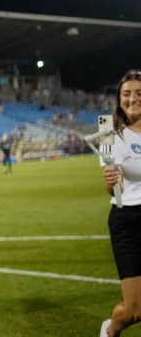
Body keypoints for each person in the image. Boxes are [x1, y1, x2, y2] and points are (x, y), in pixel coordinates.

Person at [99, 69, 141, 337]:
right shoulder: (106, 131)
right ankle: (111, 328)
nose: (133, 98)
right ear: (119, 98)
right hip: (128, 220)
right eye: (127, 94)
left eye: (139, 93)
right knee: (134, 311)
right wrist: (112, 180)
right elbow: (111, 189)